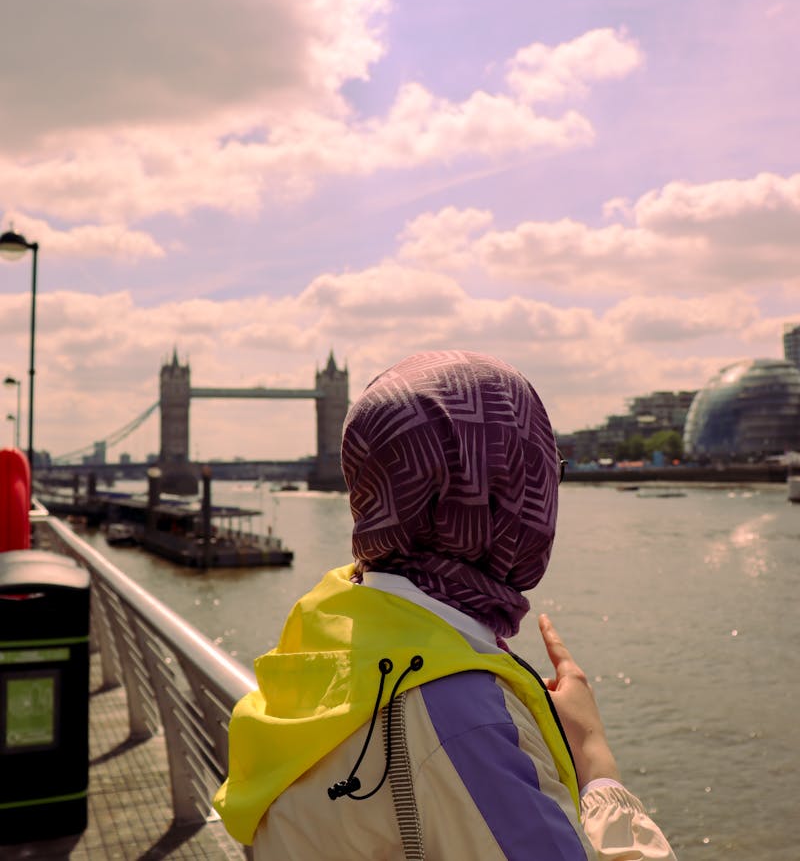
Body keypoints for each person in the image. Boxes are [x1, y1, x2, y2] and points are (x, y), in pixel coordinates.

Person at [214, 350, 677, 859]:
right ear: (507, 493)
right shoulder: (466, 720)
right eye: (546, 473)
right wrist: (596, 765)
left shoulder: (320, 628)